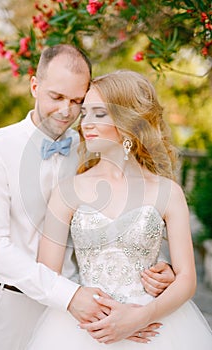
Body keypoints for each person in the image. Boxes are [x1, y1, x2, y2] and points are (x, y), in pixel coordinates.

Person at [0, 46, 174, 350]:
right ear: (34, 86)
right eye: (56, 97)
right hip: (16, 303)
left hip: (89, 305)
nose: (67, 111)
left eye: (77, 101)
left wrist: (156, 265)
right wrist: (68, 296)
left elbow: (122, 210)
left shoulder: (92, 144)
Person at [26, 70, 212, 349]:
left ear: (128, 121)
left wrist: (140, 318)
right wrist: (91, 310)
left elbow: (187, 279)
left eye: (99, 114)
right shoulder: (67, 191)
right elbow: (46, 272)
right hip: (82, 327)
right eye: (85, 113)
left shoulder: (167, 192)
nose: (85, 123)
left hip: (155, 327)